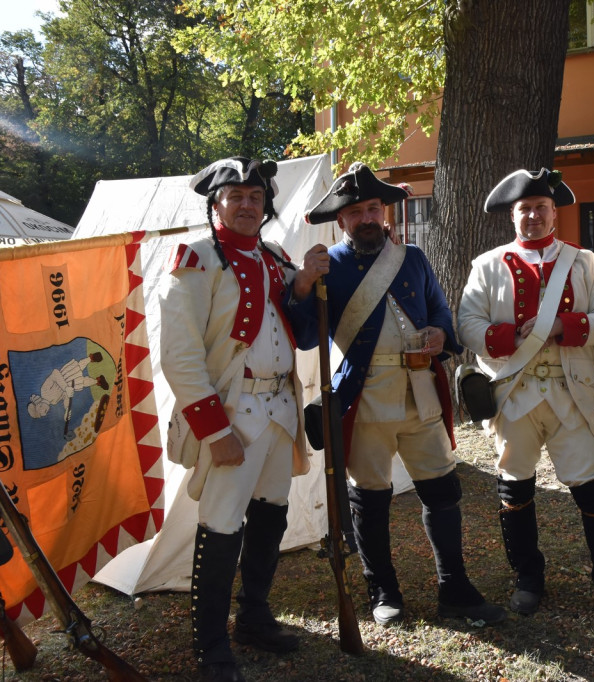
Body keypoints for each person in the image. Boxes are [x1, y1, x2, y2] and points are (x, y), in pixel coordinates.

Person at [287, 162, 506, 627]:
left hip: (419, 392)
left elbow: (444, 319)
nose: (367, 218)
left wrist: (437, 335)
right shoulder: (328, 266)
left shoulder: (413, 260)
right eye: (356, 211)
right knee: (370, 496)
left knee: (442, 491)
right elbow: (306, 338)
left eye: (373, 208)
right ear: (342, 220)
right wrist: (304, 285)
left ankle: (455, 587)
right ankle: (382, 588)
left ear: (383, 211)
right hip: (363, 401)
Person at [457, 168, 594, 630]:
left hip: (569, 392)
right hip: (513, 393)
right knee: (514, 489)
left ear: (554, 211)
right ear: (512, 216)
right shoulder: (488, 264)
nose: (533, 216)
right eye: (524, 209)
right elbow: (468, 324)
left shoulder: (582, 262)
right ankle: (528, 580)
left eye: (540, 207)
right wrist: (503, 336)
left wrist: (565, 327)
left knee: (593, 487)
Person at [160, 157, 311, 682]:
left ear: (266, 205)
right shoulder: (196, 260)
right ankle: (211, 644)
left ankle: (254, 618)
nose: (247, 205)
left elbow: (305, 319)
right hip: (233, 415)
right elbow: (179, 356)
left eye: (256, 196)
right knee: (222, 526)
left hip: (280, 410)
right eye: (236, 197)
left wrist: (309, 278)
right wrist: (214, 431)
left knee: (271, 514)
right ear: (216, 204)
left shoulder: (275, 259)